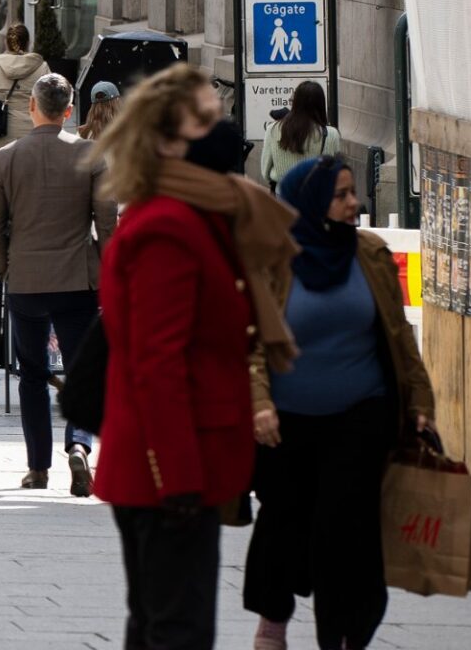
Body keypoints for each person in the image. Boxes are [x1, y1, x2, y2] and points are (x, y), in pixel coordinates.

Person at [92, 63, 300, 650]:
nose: (223, 136)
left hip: (184, 466)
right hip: (170, 473)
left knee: (161, 627)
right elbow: (159, 365)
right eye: (204, 125)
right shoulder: (168, 228)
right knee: (176, 632)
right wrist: (179, 477)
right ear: (166, 142)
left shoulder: (196, 217)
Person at [244, 156, 434, 650]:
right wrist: (259, 403)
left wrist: (419, 403)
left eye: (353, 193)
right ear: (309, 204)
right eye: (342, 195)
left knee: (346, 531)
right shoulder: (271, 260)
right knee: (283, 524)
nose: (354, 204)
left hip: (362, 415)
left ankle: (345, 635)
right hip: (285, 426)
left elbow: (397, 338)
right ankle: (274, 620)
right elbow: (250, 345)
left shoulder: (370, 254)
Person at [0, 73, 114, 493]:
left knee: (33, 375)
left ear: (32, 108)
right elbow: (106, 221)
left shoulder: (6, 157)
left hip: (26, 281)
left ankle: (37, 467)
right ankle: (78, 445)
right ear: (69, 111)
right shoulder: (91, 154)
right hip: (78, 280)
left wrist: (7, 265)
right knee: (82, 372)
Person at [0, 23, 48, 178]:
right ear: (28, 42)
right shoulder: (41, 67)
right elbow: (50, 98)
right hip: (32, 132)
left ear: (6, 42)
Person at [261, 79, 342, 190]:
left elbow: (265, 172)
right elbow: (335, 173)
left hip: (284, 195)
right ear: (321, 104)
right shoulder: (331, 134)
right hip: (317, 197)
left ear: (295, 103)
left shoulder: (273, 129)